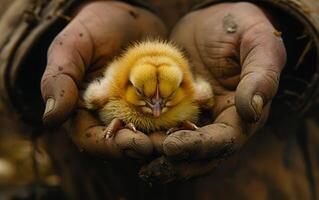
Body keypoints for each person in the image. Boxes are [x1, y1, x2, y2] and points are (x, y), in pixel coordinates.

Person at [0, 0, 318, 199]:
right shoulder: (107, 90)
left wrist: (283, 18)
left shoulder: (197, 92)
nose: (155, 107)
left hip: (268, 169)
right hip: (91, 177)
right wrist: (53, 19)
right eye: (145, 97)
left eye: (164, 99)